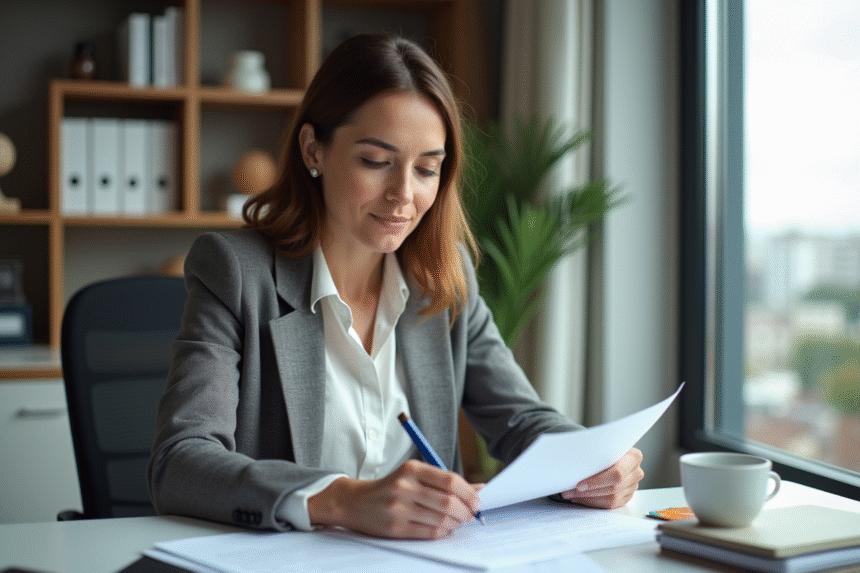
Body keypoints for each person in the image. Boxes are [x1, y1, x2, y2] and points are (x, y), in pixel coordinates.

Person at [147, 34, 644, 540]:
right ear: (313, 149)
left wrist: (592, 464)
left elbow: (521, 420)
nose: (403, 195)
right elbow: (180, 462)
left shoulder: (445, 279)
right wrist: (342, 500)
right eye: (375, 161)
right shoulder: (236, 273)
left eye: (426, 169)